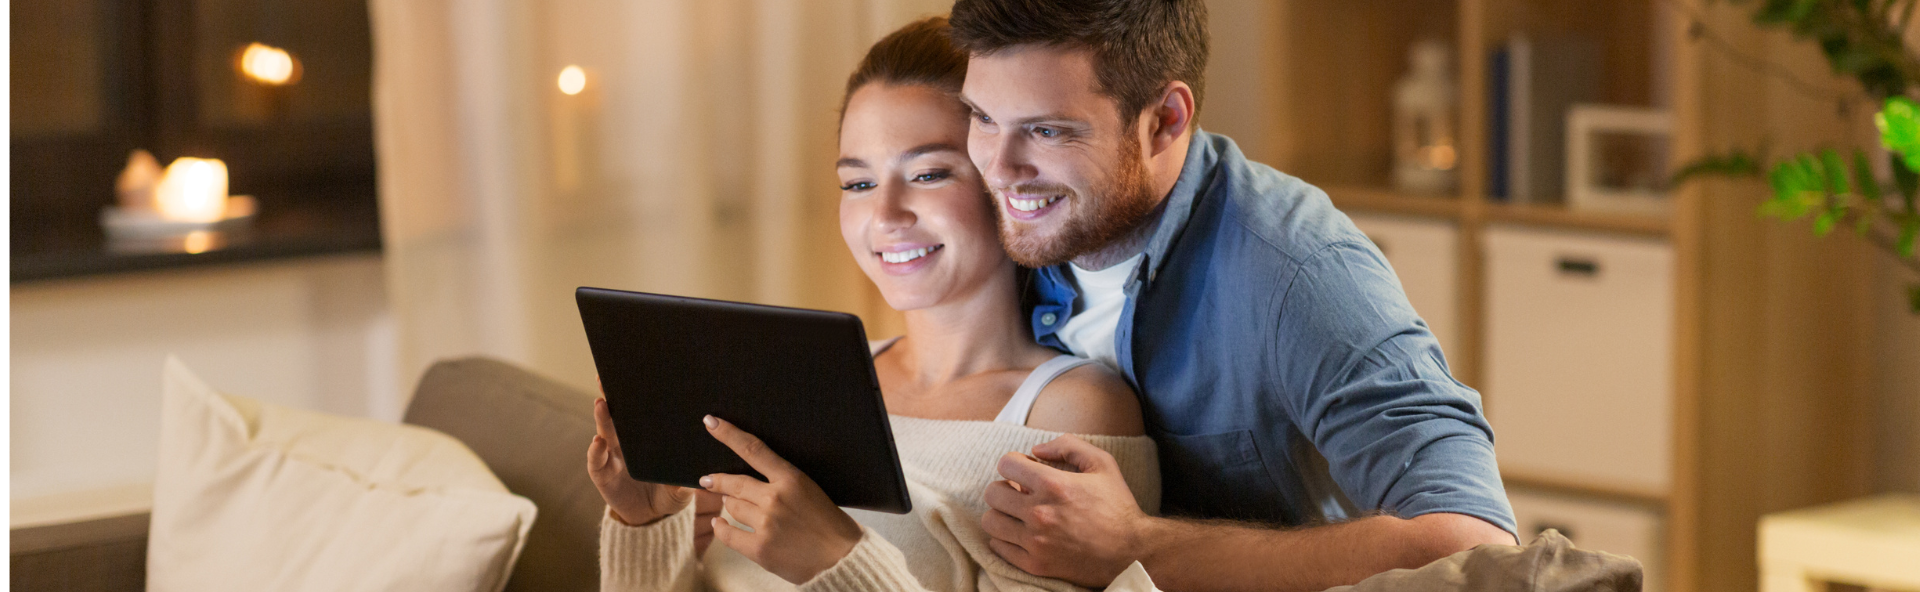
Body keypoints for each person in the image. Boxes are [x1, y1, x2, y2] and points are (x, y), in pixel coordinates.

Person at [945, 1, 1520, 591]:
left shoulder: (1299, 270)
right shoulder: (997, 231)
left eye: (1047, 131)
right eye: (982, 117)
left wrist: (1133, 546)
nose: (998, 166)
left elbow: (1473, 546)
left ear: (1165, 120)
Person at [589, 17, 1162, 592]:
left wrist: (835, 559)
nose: (886, 216)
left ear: (1005, 181)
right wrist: (647, 525)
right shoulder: (800, 381)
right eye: (859, 184)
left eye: (929, 173)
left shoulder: (1070, 414)